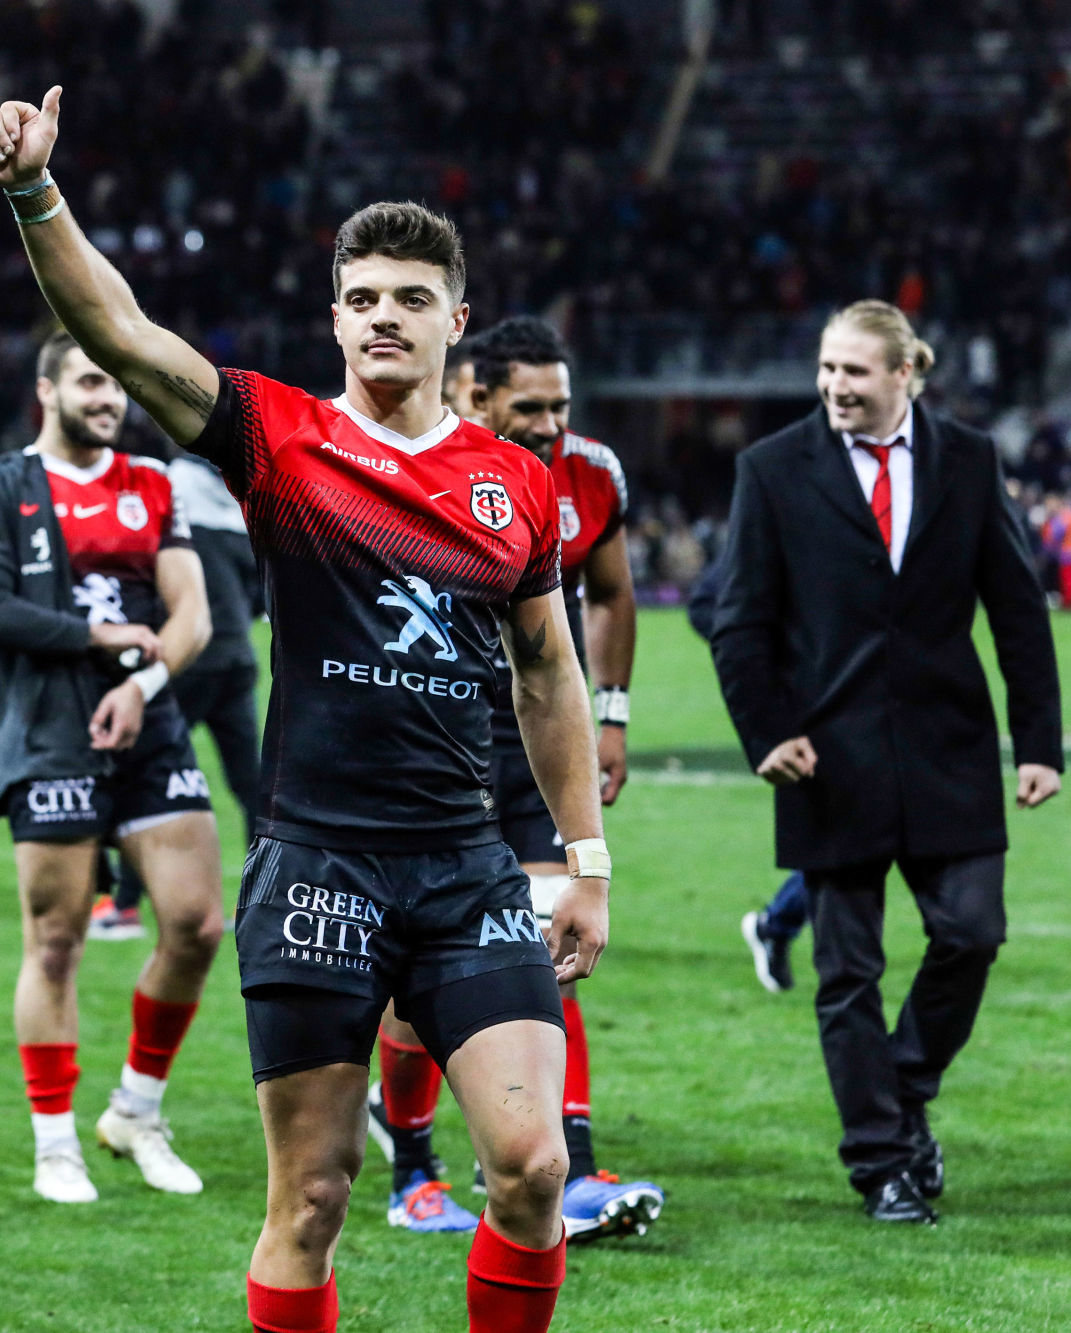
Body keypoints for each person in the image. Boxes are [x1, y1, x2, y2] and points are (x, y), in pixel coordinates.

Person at [0, 90, 610, 1333]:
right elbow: (116, 329)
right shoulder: (282, 440)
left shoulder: (516, 486)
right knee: (311, 1199)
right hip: (318, 865)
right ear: (335, 319)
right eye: (363, 297)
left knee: (533, 1169)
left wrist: (582, 857)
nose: (385, 316)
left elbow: (548, 674)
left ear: (453, 325)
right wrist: (32, 193)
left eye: (411, 299)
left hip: (465, 865)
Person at [711, 299, 1063, 1223]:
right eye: (826, 369)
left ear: (906, 373)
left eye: (854, 372)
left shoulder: (970, 459)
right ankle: (880, 1164)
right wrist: (767, 731)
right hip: (826, 760)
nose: (834, 386)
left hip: (949, 751)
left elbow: (1016, 610)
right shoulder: (773, 469)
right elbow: (737, 619)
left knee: (973, 933)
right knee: (847, 972)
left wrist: (1039, 744)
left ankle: (900, 1097)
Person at [364, 316, 662, 1241]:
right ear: (474, 395)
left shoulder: (589, 475)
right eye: (528, 406)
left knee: (545, 948)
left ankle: (567, 1157)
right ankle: (410, 1160)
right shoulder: (415, 470)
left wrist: (608, 717)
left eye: (560, 405)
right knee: (417, 992)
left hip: (539, 733)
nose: (547, 424)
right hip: (436, 741)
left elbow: (610, 592)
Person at [0, 330, 224, 1204]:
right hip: (49, 734)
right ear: (47, 389)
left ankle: (136, 1108)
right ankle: (53, 1141)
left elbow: (193, 615)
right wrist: (97, 637)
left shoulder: (150, 483)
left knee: (196, 924)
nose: (110, 398)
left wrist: (142, 681)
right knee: (56, 940)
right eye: (92, 382)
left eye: (117, 386)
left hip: (148, 721)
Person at [93, 444, 265, 943]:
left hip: (188, 659)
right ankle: (258, 902)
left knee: (138, 771)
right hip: (236, 659)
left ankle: (123, 907)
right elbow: (259, 592)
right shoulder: (236, 510)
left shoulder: (163, 495)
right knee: (250, 784)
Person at [686, 542, 810, 993]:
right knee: (850, 836)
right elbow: (704, 605)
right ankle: (779, 925)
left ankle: (779, 925)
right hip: (806, 709)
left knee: (862, 834)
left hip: (873, 698)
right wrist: (760, 655)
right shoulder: (778, 508)